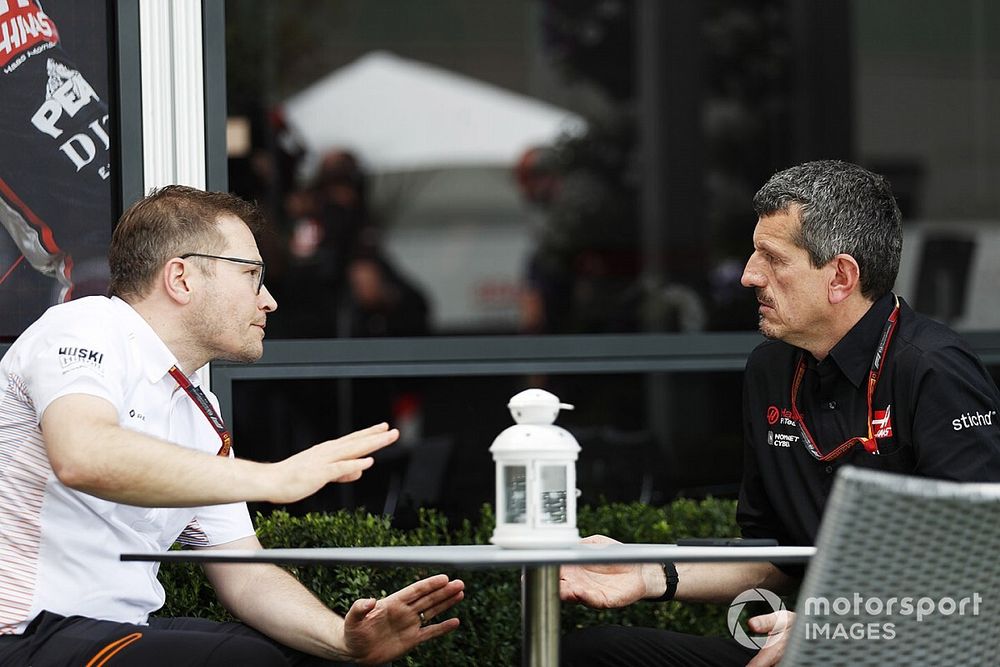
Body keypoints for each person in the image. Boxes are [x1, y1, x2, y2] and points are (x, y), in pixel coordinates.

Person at [558, 160, 1000, 666]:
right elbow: (779, 556)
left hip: (917, 653)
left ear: (840, 276)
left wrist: (840, 628)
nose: (749, 275)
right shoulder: (770, 368)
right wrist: (648, 573)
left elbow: (982, 567)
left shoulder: (934, 369)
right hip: (813, 648)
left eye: (772, 257)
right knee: (591, 654)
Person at [0, 186, 464, 666]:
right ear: (180, 278)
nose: (270, 301)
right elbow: (83, 455)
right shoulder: (84, 326)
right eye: (252, 276)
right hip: (23, 633)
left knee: (306, 659)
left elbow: (243, 573)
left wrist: (344, 640)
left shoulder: (197, 401)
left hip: (112, 635)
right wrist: (276, 476)